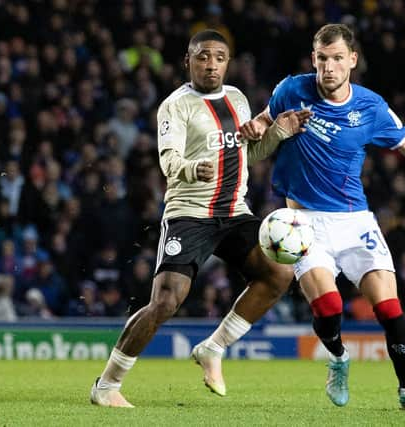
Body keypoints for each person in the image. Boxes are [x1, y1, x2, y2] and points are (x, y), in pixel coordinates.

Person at [239, 24, 405, 412]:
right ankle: (338, 358)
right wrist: (260, 126)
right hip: (303, 224)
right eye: (321, 59)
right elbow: (265, 120)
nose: (327, 68)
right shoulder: (291, 90)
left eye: (335, 59)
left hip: (355, 221)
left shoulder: (371, 107)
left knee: (389, 309)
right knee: (328, 307)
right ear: (313, 59)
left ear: (352, 60)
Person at [90, 30, 311, 407]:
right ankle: (107, 385)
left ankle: (213, 347)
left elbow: (247, 155)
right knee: (165, 302)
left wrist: (279, 132)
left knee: (279, 273)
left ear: (228, 62)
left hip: (234, 212)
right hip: (189, 214)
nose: (211, 64)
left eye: (219, 57)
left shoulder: (238, 99)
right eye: (203, 56)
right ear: (187, 60)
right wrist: (194, 170)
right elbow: (168, 160)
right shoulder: (175, 105)